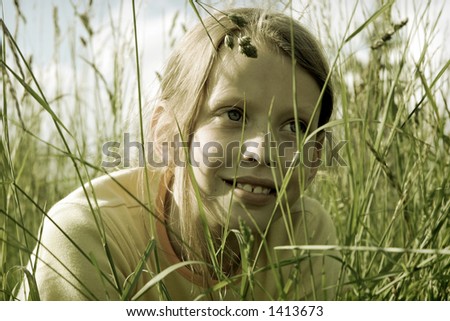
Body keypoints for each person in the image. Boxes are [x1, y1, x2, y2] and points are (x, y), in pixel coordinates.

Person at [19, 7, 344, 300]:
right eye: (233, 115)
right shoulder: (87, 236)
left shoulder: (308, 234)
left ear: (314, 157)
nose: (261, 151)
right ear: (167, 134)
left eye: (295, 126)